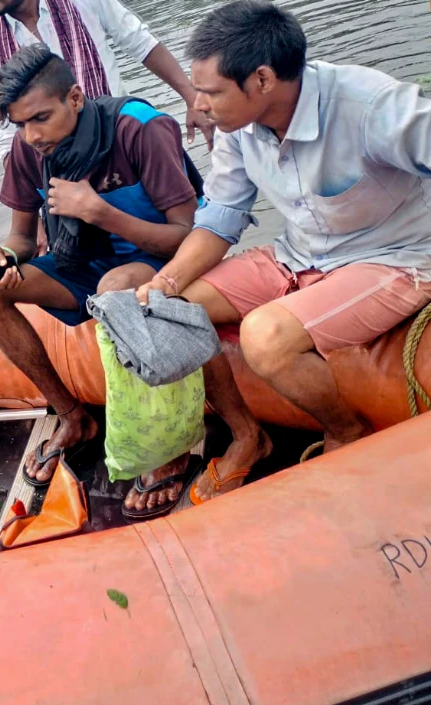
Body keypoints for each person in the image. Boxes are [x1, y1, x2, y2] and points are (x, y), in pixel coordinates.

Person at [131, 0, 431, 511]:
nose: (197, 105)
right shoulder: (237, 128)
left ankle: (346, 430)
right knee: (173, 314)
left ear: (263, 80)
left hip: (392, 256)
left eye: (209, 91)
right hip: (299, 253)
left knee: (265, 339)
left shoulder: (370, 106)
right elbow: (221, 215)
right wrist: (169, 281)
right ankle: (248, 435)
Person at [0, 45, 201, 503]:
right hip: (81, 265)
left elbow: (189, 235)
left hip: (156, 262)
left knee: (113, 289)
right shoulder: (27, 149)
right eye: (19, 124)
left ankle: (166, 446)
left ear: (75, 97)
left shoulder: (139, 130)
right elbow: (20, 235)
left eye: (40, 117)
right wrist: (6, 259)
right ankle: (72, 416)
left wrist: (98, 211)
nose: (31, 135)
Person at [0, 0, 215, 165]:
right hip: (57, 170)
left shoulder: (83, 3)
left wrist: (192, 98)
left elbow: (140, 43)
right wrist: (32, 216)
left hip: (118, 138)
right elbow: (5, 139)